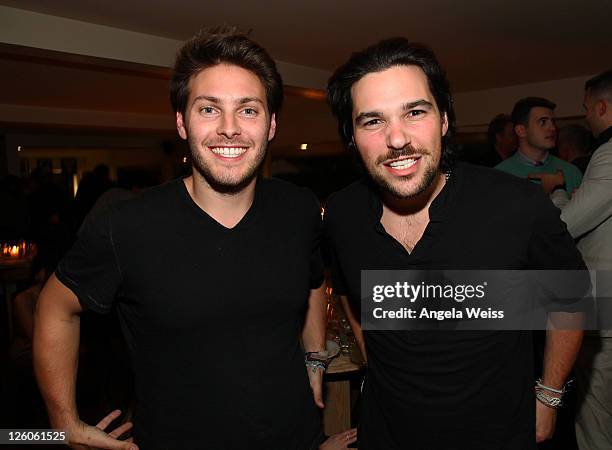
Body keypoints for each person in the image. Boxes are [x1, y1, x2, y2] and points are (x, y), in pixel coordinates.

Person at [33, 27, 327, 450]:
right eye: (209, 109)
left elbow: (314, 280)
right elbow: (54, 307)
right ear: (181, 123)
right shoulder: (127, 224)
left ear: (272, 124)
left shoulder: (298, 207)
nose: (230, 129)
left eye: (248, 110)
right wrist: (63, 422)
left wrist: (315, 358)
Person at [325, 37, 585, 449]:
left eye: (414, 112)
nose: (397, 138)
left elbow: (571, 299)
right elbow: (350, 294)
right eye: (372, 121)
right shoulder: (342, 213)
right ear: (352, 136)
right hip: (386, 432)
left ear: (443, 120)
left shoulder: (515, 204)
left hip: (497, 433)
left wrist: (549, 397)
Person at [549, 70, 612, 450]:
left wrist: (556, 191)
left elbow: (567, 225)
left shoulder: (608, 153)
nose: (586, 116)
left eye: (587, 107)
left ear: (602, 106)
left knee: (595, 421)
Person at [496, 97, 583, 193]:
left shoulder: (571, 172)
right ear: (521, 131)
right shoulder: (499, 174)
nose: (552, 128)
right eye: (543, 122)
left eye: (553, 122)